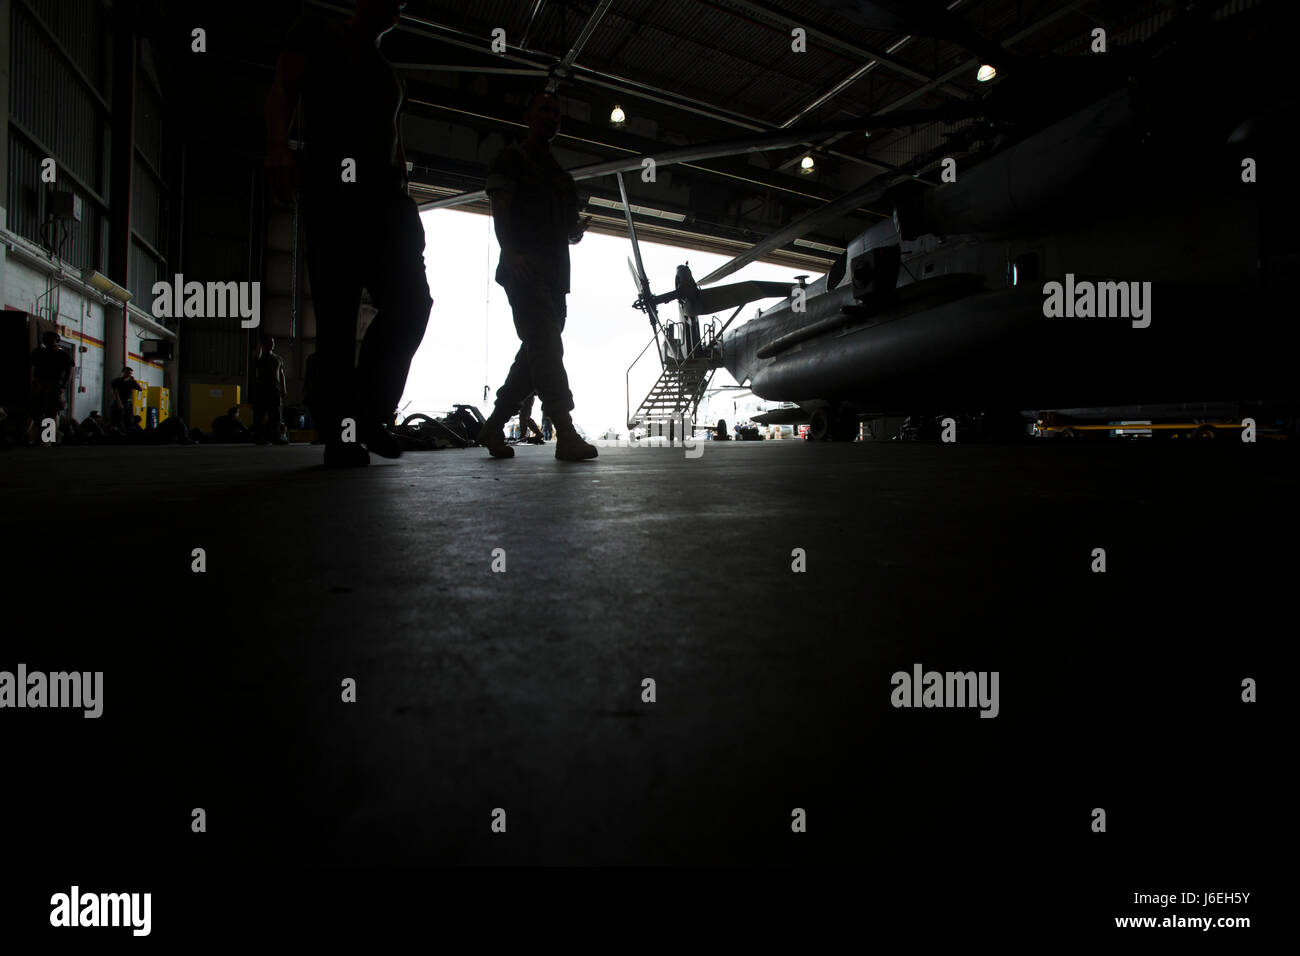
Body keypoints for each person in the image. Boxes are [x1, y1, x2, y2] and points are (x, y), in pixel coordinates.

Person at [265, 0, 432, 467]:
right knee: (337, 321)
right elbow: (282, 88)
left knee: (412, 304)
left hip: (388, 204)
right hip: (334, 196)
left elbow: (395, 145)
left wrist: (407, 201)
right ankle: (344, 436)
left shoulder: (390, 75)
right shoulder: (317, 30)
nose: (399, 3)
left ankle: (369, 413)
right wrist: (278, 147)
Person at [477, 89, 598, 462]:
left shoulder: (562, 177)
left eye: (556, 112)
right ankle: (564, 430)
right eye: (543, 109)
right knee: (545, 345)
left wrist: (575, 230)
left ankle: (494, 423)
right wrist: (509, 252)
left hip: (556, 278)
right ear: (528, 116)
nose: (551, 116)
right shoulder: (512, 159)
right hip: (524, 268)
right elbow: (500, 207)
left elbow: (566, 231)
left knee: (533, 354)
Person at [28, 331, 74, 441]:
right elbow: (31, 366)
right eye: (45, 338)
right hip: (39, 383)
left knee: (51, 412)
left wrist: (63, 386)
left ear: (57, 341)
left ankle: (47, 438)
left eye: (49, 338)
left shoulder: (63, 355)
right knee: (35, 411)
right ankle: (40, 435)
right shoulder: (38, 352)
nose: (46, 340)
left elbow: (69, 372)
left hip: (54, 384)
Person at [252, 334, 289, 444]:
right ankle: (258, 438)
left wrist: (284, 388)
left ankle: (275, 437)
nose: (272, 344)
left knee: (276, 415)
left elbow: (281, 374)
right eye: (269, 342)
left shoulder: (278, 359)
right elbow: (256, 358)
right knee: (259, 414)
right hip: (262, 388)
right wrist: (259, 343)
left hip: (274, 389)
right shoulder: (261, 357)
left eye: (273, 342)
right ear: (264, 344)